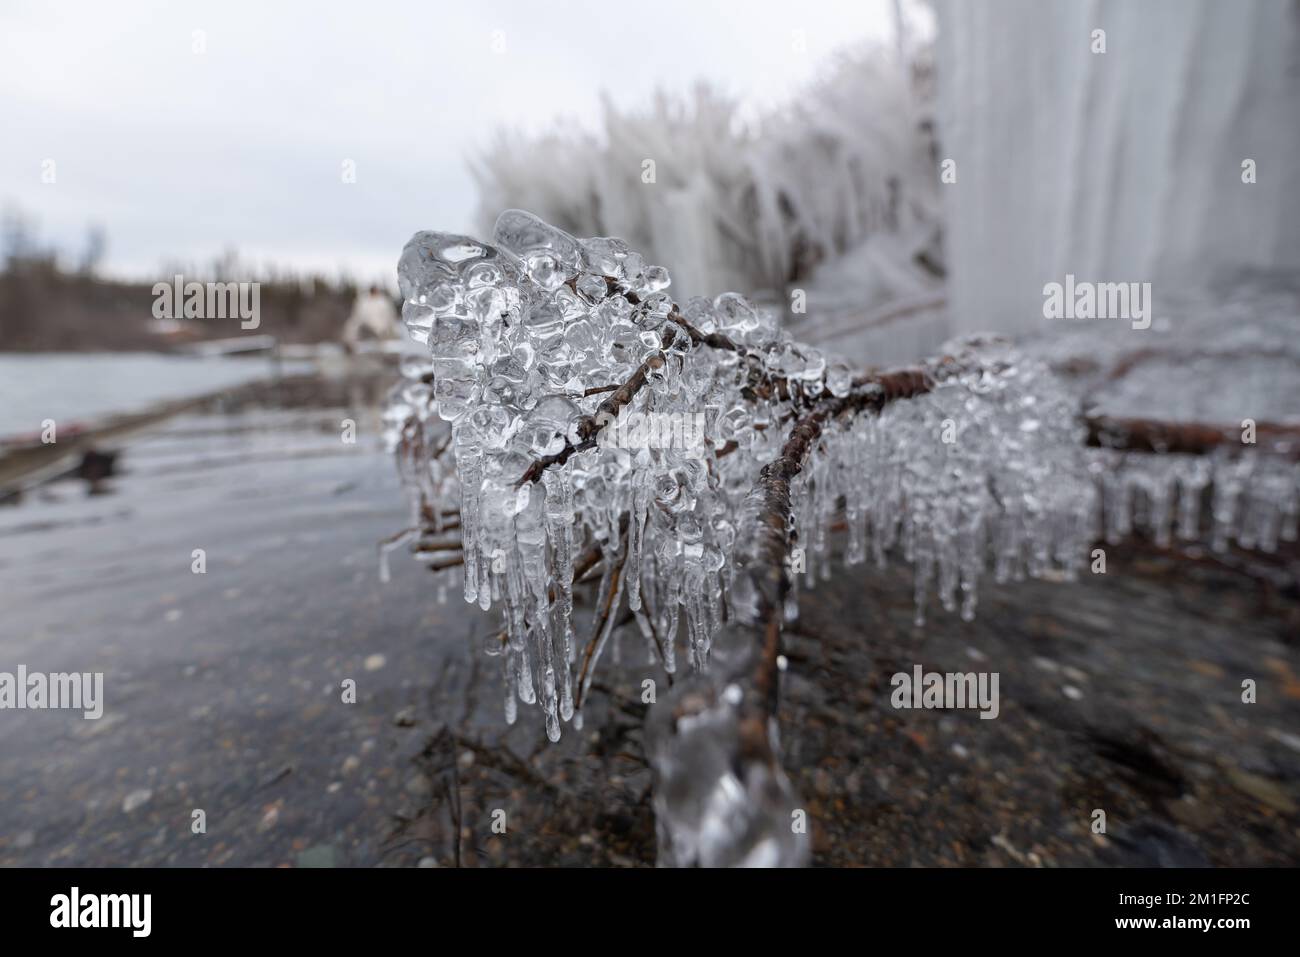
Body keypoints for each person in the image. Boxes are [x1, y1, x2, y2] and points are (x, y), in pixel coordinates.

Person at [341, 285, 400, 350]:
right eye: (373, 291)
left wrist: (389, 327)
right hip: (366, 324)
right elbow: (357, 314)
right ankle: (349, 344)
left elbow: (390, 315)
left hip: (380, 327)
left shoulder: (383, 302)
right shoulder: (364, 301)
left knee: (382, 333)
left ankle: (382, 346)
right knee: (351, 325)